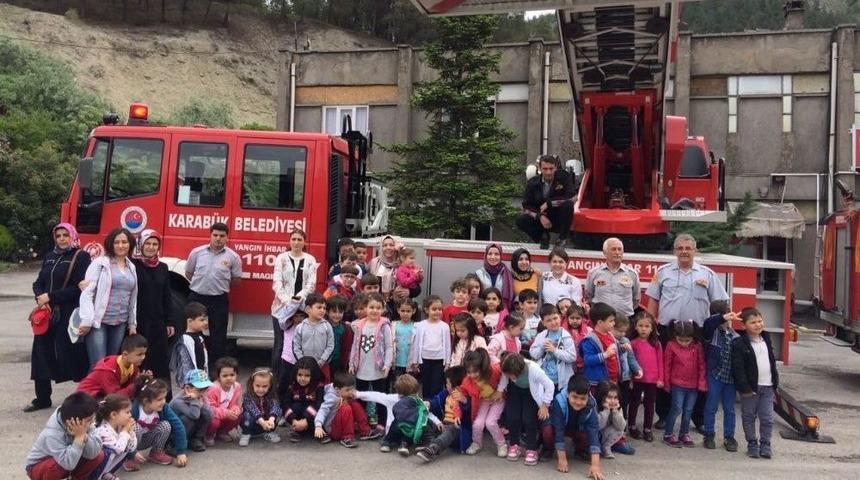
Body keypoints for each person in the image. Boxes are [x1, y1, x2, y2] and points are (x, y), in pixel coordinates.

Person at [645, 233, 728, 430]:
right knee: (665, 372)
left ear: (695, 250)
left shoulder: (707, 274)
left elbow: (720, 303)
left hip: (697, 332)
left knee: (699, 373)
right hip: (668, 330)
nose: (684, 252)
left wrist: (724, 329)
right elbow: (653, 301)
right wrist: (649, 326)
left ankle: (698, 419)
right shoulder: (663, 272)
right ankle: (664, 415)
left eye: (688, 248)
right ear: (674, 251)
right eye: (680, 248)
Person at [28, 223, 91, 412]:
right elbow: (38, 282)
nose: (62, 239)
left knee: (72, 354)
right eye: (58, 235)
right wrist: (40, 298)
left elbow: (79, 288)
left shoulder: (81, 256)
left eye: (65, 235)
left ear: (73, 236)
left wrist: (51, 297)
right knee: (40, 353)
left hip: (68, 313)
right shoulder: (50, 256)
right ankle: (42, 398)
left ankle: (84, 397)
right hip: (47, 314)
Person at [79, 227, 139, 368]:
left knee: (112, 365)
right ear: (110, 244)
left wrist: (132, 324)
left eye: (124, 242)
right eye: (116, 242)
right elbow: (87, 293)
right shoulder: (100, 263)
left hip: (120, 323)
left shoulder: (131, 267)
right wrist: (87, 320)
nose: (121, 246)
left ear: (130, 244)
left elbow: (132, 298)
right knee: (99, 365)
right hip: (99, 322)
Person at [185, 222, 242, 366]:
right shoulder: (197, 253)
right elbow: (189, 272)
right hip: (197, 297)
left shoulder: (233, 257)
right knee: (193, 331)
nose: (218, 238)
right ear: (210, 235)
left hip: (218, 299)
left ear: (227, 237)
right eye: (215, 235)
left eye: (222, 236)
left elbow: (236, 279)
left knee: (218, 335)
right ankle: (193, 362)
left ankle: (215, 367)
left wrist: (219, 286)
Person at [130, 229, 175, 390]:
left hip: (158, 321)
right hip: (138, 321)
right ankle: (138, 396)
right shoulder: (132, 265)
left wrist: (169, 321)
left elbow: (166, 296)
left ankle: (162, 397)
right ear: (140, 245)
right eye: (147, 243)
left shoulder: (162, 267)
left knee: (159, 360)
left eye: (155, 244)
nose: (151, 247)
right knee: (140, 359)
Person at [732, 307, 779, 459]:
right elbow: (738, 368)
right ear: (744, 325)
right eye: (753, 322)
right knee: (748, 416)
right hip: (750, 389)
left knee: (767, 418)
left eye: (760, 321)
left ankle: (765, 445)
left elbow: (771, 361)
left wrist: (775, 381)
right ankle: (752, 444)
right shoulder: (739, 343)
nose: (758, 325)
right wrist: (744, 388)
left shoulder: (766, 338)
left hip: (768, 386)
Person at [271, 228, 318, 380]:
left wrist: (298, 299)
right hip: (281, 308)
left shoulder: (310, 259)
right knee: (280, 344)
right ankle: (276, 379)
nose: (296, 242)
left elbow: (311, 284)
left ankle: (296, 380)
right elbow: (277, 282)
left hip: (303, 309)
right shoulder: (281, 258)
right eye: (294, 239)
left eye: (299, 239)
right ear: (289, 241)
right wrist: (287, 301)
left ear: (304, 242)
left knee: (300, 344)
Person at [25, 391, 104, 480]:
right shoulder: (52, 434)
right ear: (73, 422)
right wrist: (79, 439)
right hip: (38, 466)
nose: (92, 421)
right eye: (89, 420)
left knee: (98, 455)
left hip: (67, 461)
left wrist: (83, 435)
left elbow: (92, 454)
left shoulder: (85, 421)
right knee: (55, 466)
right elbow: (67, 463)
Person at [497, 353, 555, 466]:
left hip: (530, 392)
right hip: (514, 390)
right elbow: (504, 376)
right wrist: (500, 390)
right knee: (512, 417)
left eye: (511, 375)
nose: (509, 377)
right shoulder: (507, 366)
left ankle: (531, 449)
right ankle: (514, 445)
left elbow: (550, 385)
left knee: (528, 419)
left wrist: (545, 405)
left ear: (519, 371)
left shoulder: (534, 370)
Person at [349, 292, 394, 427]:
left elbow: (389, 347)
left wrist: (387, 364)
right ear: (366, 308)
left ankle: (381, 423)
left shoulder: (384, 326)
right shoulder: (359, 325)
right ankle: (361, 423)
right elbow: (355, 345)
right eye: (371, 307)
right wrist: (351, 364)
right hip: (361, 369)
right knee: (361, 397)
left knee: (380, 397)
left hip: (378, 369)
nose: (375, 310)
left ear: (383, 309)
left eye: (378, 308)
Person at [702, 300, 741, 452]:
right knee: (711, 406)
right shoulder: (712, 333)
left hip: (730, 379)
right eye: (725, 315)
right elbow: (708, 323)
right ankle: (709, 435)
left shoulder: (735, 336)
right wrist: (722, 317)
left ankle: (729, 437)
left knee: (729, 409)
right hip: (715, 375)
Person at [126, 378, 187, 471]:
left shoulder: (164, 408)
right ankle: (129, 458)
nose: (163, 401)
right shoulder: (134, 409)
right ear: (146, 401)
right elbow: (123, 432)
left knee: (166, 425)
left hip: (148, 439)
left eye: (164, 398)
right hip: (134, 441)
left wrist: (181, 452)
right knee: (134, 427)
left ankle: (156, 452)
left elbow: (178, 425)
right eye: (159, 399)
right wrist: (132, 453)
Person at [516, 154, 575, 249]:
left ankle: (562, 239)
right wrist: (539, 216)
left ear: (556, 167)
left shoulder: (564, 177)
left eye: (551, 169)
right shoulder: (532, 183)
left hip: (559, 218)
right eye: (545, 169)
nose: (548, 172)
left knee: (568, 205)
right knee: (521, 220)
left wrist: (550, 203)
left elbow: (572, 198)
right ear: (540, 168)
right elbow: (526, 207)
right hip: (541, 219)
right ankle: (542, 238)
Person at [663, 319, 706, 448]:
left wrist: (702, 382)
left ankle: (684, 433)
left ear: (693, 337)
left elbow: (701, 364)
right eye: (680, 340)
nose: (684, 343)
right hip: (677, 384)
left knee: (688, 410)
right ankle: (668, 434)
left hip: (693, 385)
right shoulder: (671, 345)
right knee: (676, 408)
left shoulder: (697, 346)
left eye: (687, 340)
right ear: (675, 336)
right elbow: (667, 365)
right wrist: (666, 382)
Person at [550, 375, 603, 479]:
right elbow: (559, 430)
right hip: (562, 427)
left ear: (588, 397)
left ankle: (580, 450)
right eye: (574, 397)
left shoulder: (591, 405)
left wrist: (595, 466)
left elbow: (593, 434)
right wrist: (562, 459)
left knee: (589, 436)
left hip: (578, 429)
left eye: (583, 398)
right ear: (568, 393)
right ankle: (548, 448)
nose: (578, 402)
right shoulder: (559, 401)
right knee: (548, 430)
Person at [416, 367, 470, 463]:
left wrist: (465, 401)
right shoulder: (446, 394)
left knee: (452, 429)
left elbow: (470, 413)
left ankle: (433, 448)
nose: (446, 385)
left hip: (458, 432)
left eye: (447, 383)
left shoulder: (466, 397)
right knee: (427, 422)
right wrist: (429, 403)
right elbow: (436, 401)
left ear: (455, 386)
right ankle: (429, 443)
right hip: (443, 426)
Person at [314, 372, 380, 448]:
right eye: (347, 390)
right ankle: (347, 437)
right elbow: (322, 410)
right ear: (337, 389)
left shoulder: (344, 391)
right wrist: (318, 426)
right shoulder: (331, 397)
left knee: (355, 404)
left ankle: (365, 431)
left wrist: (358, 395)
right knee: (346, 408)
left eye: (352, 389)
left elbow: (358, 394)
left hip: (342, 424)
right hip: (333, 430)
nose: (350, 392)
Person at [461, 349, 507, 457]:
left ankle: (501, 444)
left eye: (475, 371)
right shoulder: (467, 381)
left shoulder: (493, 370)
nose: (472, 375)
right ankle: (476, 443)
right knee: (478, 423)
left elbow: (505, 371)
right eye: (469, 372)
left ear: (482, 368)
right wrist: (462, 399)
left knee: (490, 422)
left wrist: (501, 390)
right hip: (483, 402)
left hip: (498, 400)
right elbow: (462, 392)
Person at [77, 334, 149, 400]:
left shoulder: (134, 367)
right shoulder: (109, 370)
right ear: (125, 354)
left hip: (105, 395)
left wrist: (144, 380)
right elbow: (115, 397)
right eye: (139, 354)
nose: (143, 357)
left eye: (144, 354)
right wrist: (136, 385)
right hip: (85, 398)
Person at [381, 374, 439, 455]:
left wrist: (437, 422)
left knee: (418, 427)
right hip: (399, 427)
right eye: (414, 393)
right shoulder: (396, 400)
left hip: (409, 428)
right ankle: (387, 441)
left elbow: (425, 413)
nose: (416, 395)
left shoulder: (418, 401)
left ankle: (403, 445)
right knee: (396, 424)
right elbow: (377, 396)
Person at [628, 311, 663, 442]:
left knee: (649, 404)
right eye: (641, 326)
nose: (643, 329)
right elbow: (630, 362)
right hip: (637, 379)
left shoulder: (656, 343)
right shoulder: (633, 343)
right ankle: (632, 426)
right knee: (634, 403)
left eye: (647, 326)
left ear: (652, 328)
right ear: (635, 327)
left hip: (652, 380)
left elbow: (660, 361)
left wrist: (660, 378)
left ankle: (647, 428)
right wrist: (630, 379)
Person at [585, 238, 640, 318]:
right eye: (613, 249)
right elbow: (589, 296)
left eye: (619, 249)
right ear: (605, 253)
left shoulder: (632, 274)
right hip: (601, 319)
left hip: (624, 320)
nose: (617, 253)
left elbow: (636, 299)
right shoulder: (594, 273)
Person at [410, 295, 452, 398]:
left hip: (439, 361)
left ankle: (435, 405)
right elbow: (417, 344)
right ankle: (426, 404)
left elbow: (447, 345)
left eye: (439, 309)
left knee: (436, 386)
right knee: (426, 385)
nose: (437, 311)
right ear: (426, 310)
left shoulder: (444, 326)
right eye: (434, 309)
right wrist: (415, 361)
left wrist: (447, 362)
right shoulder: (420, 325)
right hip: (424, 360)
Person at [529, 304, 576, 392]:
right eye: (549, 320)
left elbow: (572, 357)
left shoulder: (566, 336)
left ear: (560, 317)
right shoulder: (541, 336)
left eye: (555, 318)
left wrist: (555, 350)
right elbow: (533, 354)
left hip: (561, 381)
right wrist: (542, 347)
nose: (553, 322)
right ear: (543, 323)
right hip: (544, 380)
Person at [92, 393, 137, 480]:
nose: (130, 415)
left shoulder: (119, 427)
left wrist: (130, 432)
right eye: (127, 412)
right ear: (113, 415)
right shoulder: (102, 430)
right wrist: (125, 432)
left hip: (105, 466)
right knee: (110, 452)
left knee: (125, 449)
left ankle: (105, 474)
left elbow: (131, 448)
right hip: (93, 469)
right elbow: (118, 449)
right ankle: (99, 476)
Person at [292, 293, 335, 380]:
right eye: (319, 307)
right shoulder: (300, 327)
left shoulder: (327, 326)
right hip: (304, 368)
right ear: (308, 309)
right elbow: (296, 347)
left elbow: (330, 346)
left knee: (321, 386)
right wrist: (303, 362)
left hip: (322, 366)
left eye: (324, 308)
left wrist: (322, 361)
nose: (322, 310)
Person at [169, 369, 213, 453]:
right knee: (188, 418)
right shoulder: (179, 401)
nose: (203, 393)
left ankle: (196, 439)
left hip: (188, 429)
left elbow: (208, 411)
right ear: (187, 388)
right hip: (174, 432)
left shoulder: (200, 396)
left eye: (205, 389)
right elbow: (194, 415)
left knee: (207, 412)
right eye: (200, 390)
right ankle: (174, 444)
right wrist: (194, 401)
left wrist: (200, 402)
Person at [283, 356, 326, 442]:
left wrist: (306, 420)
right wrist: (293, 420)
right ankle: (298, 429)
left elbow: (319, 404)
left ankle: (318, 430)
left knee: (315, 408)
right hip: (297, 416)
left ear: (313, 375)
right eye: (300, 375)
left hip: (313, 415)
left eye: (307, 375)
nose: (302, 379)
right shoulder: (292, 386)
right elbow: (285, 404)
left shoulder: (318, 386)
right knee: (296, 406)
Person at [169, 302, 209, 390]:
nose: (205, 322)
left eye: (206, 320)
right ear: (190, 321)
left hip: (200, 377)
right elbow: (186, 361)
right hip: (191, 380)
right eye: (202, 320)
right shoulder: (186, 339)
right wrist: (188, 382)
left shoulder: (199, 337)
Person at [579, 303, 621, 387]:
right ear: (600, 322)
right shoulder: (589, 340)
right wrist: (605, 355)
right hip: (598, 383)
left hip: (613, 379)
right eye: (611, 321)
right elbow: (588, 360)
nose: (614, 323)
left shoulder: (610, 335)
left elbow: (614, 351)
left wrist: (622, 348)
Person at [239, 368, 282, 446]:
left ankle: (268, 432)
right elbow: (253, 409)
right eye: (257, 386)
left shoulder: (272, 396)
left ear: (270, 386)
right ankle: (246, 433)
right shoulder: (248, 396)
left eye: (264, 386)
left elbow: (275, 406)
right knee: (246, 415)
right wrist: (262, 422)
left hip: (266, 423)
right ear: (252, 383)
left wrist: (271, 420)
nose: (260, 389)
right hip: (252, 423)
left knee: (278, 411)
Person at [205, 356, 242, 446]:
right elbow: (210, 409)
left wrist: (235, 409)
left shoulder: (236, 386)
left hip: (225, 414)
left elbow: (234, 403)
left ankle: (222, 433)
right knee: (214, 421)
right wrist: (226, 413)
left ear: (236, 375)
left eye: (232, 375)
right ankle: (209, 435)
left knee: (238, 415)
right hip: (214, 415)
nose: (229, 378)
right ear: (218, 377)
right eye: (225, 376)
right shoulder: (213, 389)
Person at [612, 314, 642, 418]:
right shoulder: (610, 340)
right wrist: (621, 348)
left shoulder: (626, 341)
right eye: (620, 331)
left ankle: (623, 422)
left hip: (625, 378)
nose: (623, 334)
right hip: (613, 378)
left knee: (624, 402)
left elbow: (631, 358)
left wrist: (637, 369)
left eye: (625, 331)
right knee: (613, 402)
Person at [595, 380, 635, 458]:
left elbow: (621, 426)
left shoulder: (617, 407)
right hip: (597, 435)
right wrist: (606, 411)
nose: (613, 401)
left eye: (615, 397)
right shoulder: (595, 406)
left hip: (609, 436)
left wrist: (615, 411)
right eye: (609, 397)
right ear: (601, 396)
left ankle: (608, 446)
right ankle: (599, 447)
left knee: (630, 450)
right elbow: (598, 426)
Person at [475, 243, 514, 307]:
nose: (493, 257)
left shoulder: (507, 274)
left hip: (501, 309)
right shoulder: (478, 274)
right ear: (486, 255)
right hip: (482, 309)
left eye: (496, 254)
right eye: (490, 254)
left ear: (501, 256)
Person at [326, 295, 353, 374]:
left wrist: (344, 364)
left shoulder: (346, 329)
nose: (337, 315)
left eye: (340, 312)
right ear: (327, 312)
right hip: (324, 361)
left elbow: (346, 349)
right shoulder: (323, 326)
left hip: (337, 362)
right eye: (334, 312)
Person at [392, 299, 418, 378]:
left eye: (408, 311)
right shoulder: (393, 325)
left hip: (410, 364)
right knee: (397, 383)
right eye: (403, 311)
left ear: (413, 311)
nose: (405, 313)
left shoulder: (416, 326)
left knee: (409, 384)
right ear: (398, 310)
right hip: (396, 362)